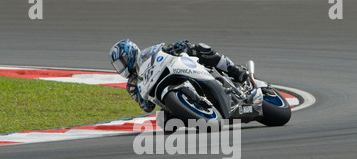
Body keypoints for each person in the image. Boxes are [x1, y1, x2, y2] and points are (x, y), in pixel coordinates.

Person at [109, 39, 274, 113]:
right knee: (164, 122)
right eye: (119, 66)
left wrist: (176, 47)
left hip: (176, 71)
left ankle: (239, 73)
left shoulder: (146, 56)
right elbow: (146, 108)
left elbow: (164, 51)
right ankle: (194, 108)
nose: (123, 68)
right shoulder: (132, 86)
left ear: (131, 53)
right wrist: (143, 98)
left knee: (199, 49)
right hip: (167, 100)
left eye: (122, 62)